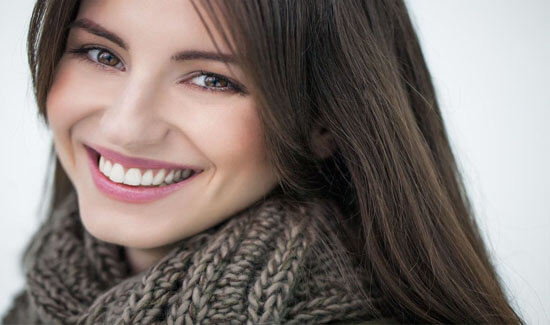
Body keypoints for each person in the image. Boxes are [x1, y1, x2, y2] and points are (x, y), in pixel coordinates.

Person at [2, 0, 523, 324]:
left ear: (325, 121)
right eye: (101, 54)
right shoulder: (36, 306)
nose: (124, 126)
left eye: (212, 79)